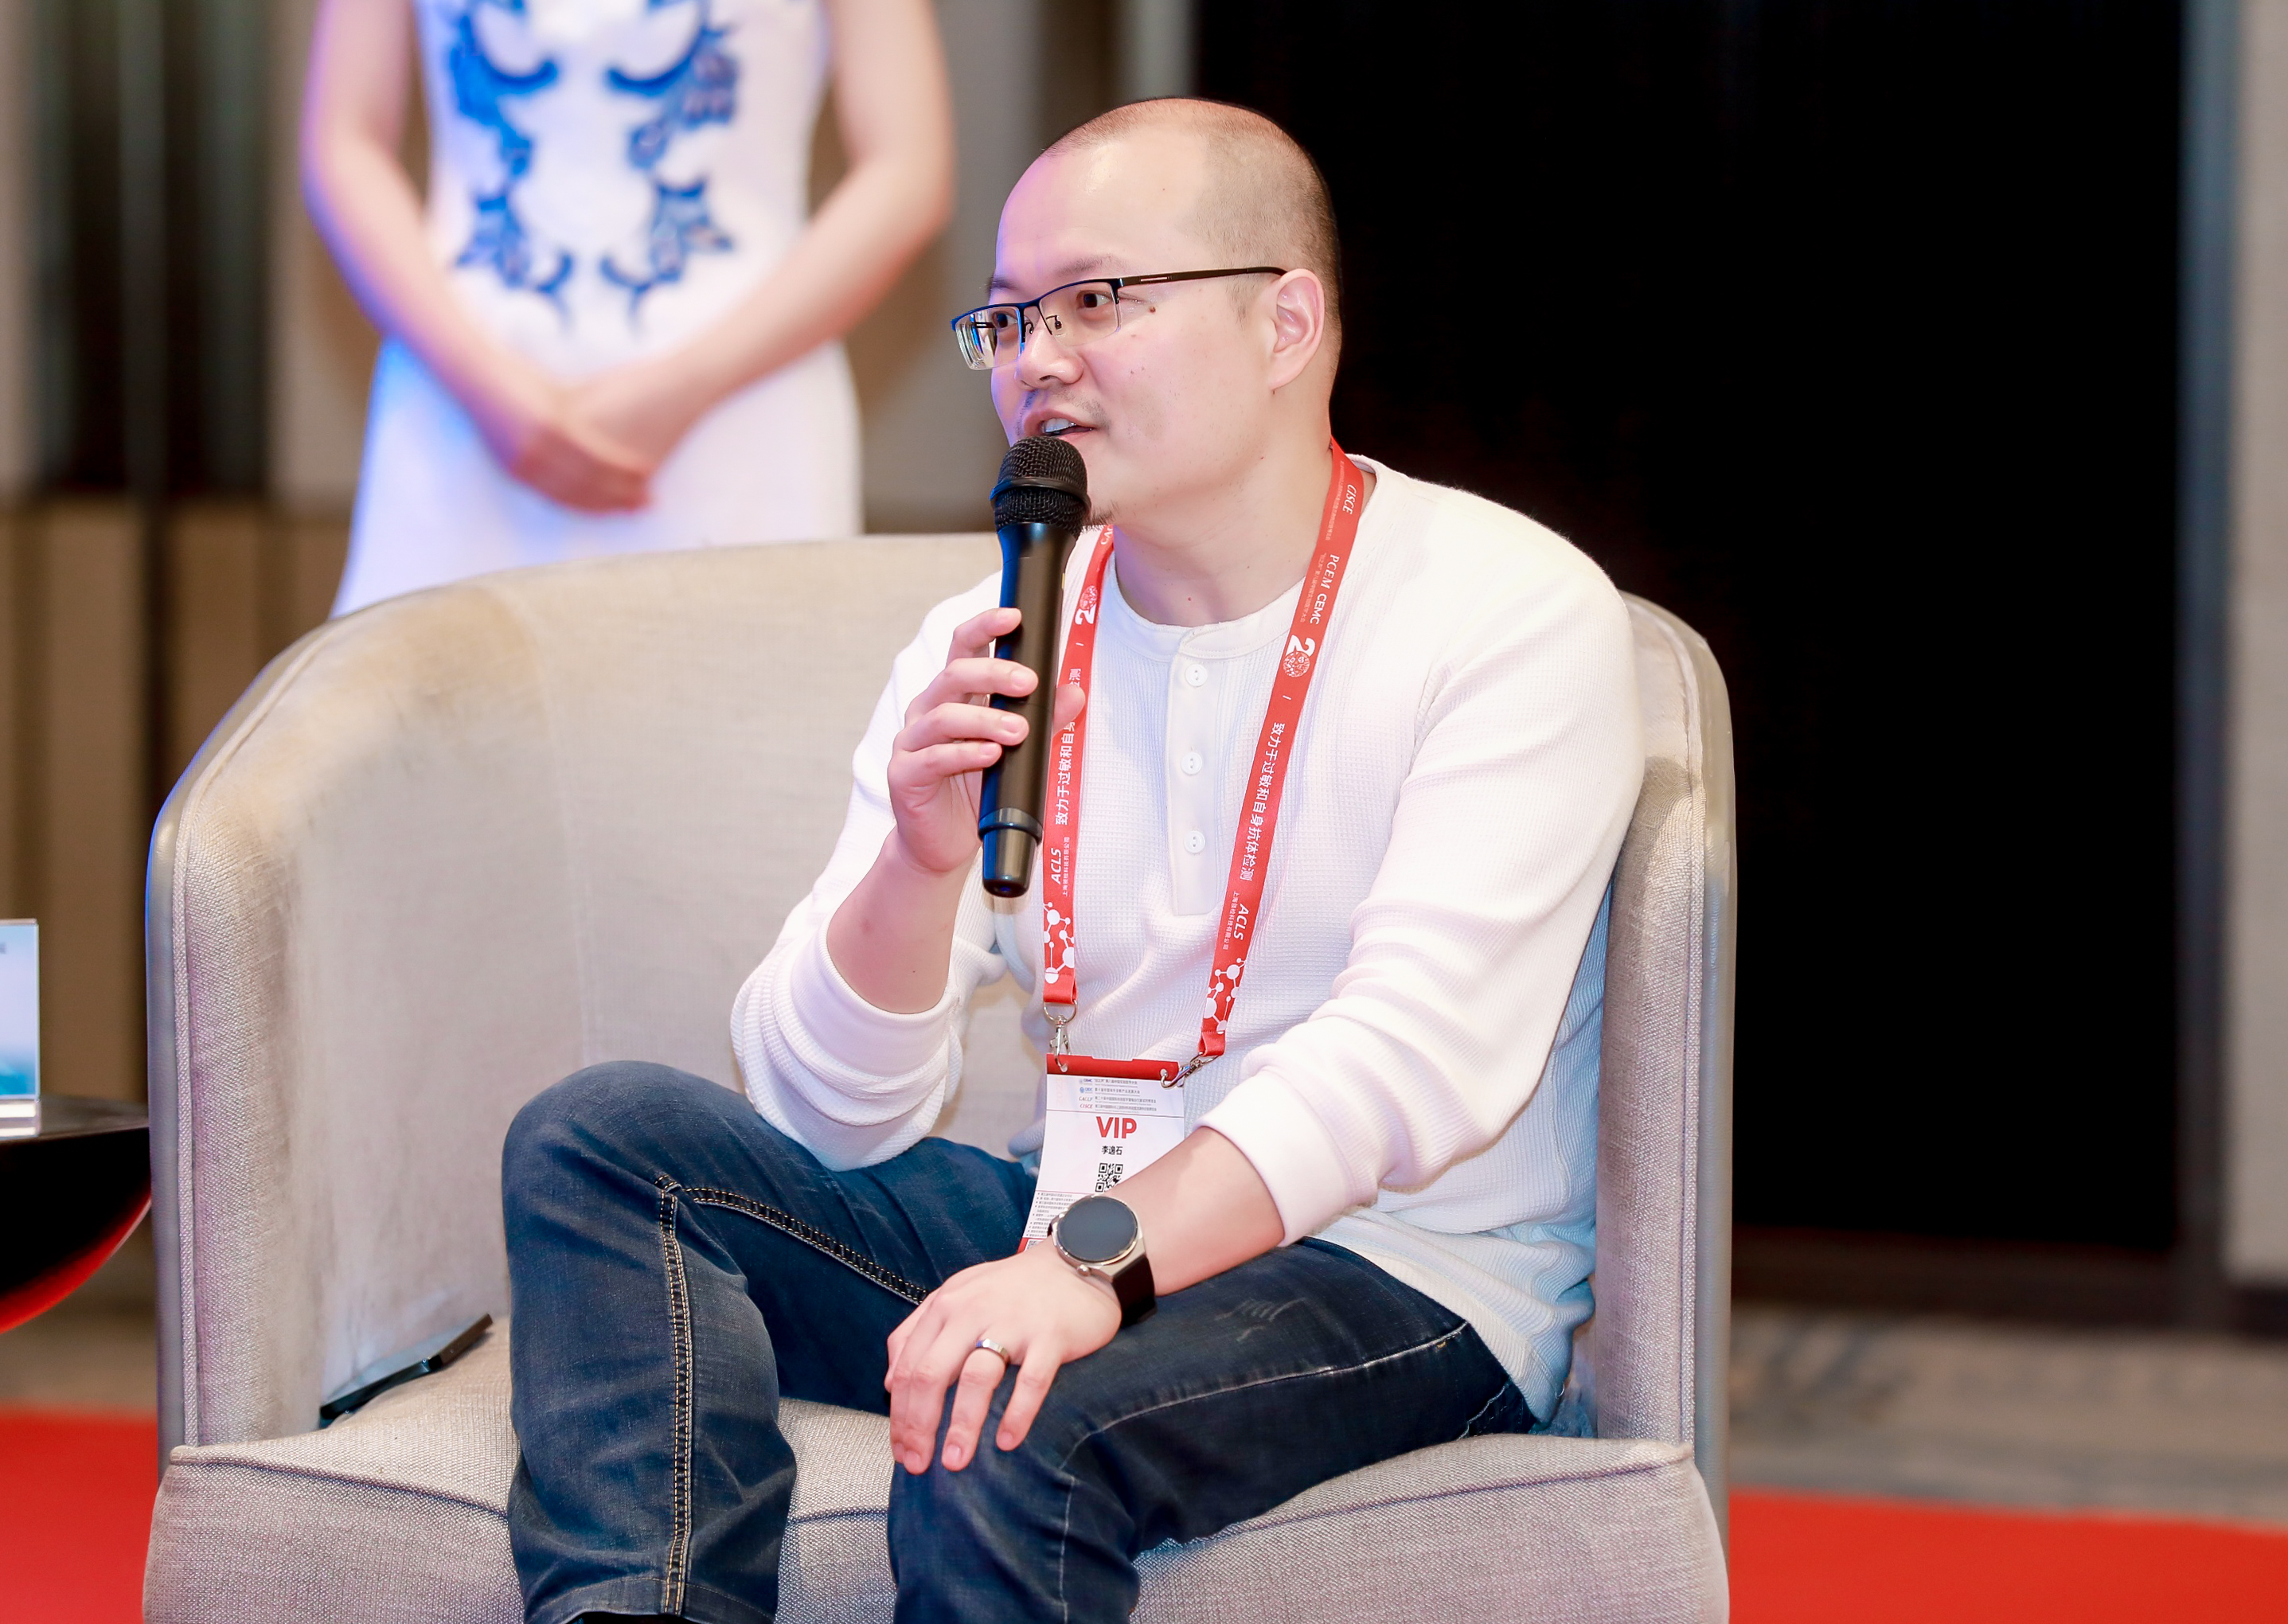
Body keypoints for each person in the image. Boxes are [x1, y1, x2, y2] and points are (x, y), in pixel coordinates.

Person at [500, 98, 1644, 1624]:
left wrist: (1086, 1268)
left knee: (1006, 1414)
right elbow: (826, 1113)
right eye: (1010, 318)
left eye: (1097, 300)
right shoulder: (995, 635)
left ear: (1287, 323)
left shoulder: (1504, 611)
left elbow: (1409, 1062)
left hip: (1396, 1266)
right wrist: (916, 868)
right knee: (606, 1143)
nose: (1038, 358)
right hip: (1077, 1205)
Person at [301, 0, 952, 616]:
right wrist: (480, 382)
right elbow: (345, 141)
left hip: (739, 409)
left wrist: (685, 387)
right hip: (460, 414)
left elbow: (908, 169)